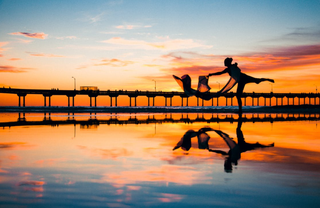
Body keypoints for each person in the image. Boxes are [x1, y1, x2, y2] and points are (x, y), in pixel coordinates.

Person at [207, 57, 274, 112]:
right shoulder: (228, 69)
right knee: (238, 95)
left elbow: (236, 68)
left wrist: (235, 65)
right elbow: (220, 73)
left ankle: (268, 79)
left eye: (225, 62)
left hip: (244, 77)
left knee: (257, 80)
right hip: (241, 81)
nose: (224, 63)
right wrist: (211, 74)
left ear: (227, 63)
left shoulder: (232, 67)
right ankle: (240, 109)